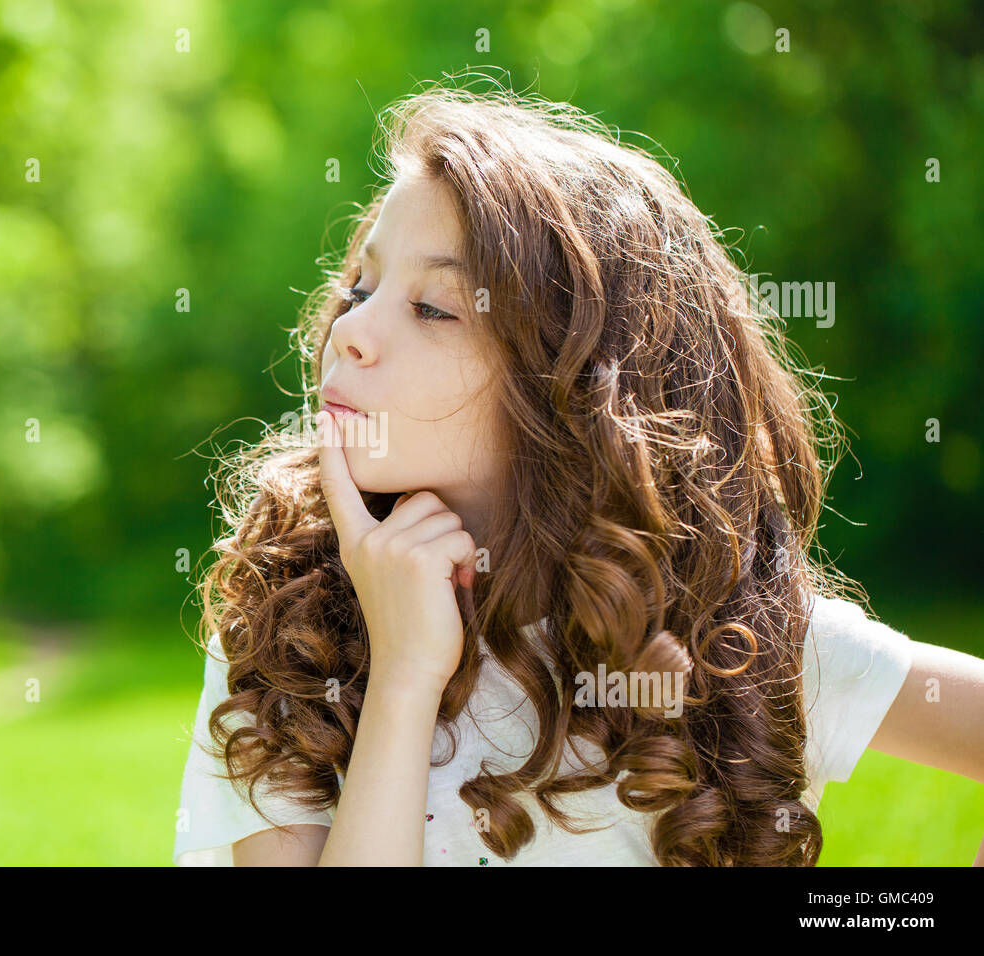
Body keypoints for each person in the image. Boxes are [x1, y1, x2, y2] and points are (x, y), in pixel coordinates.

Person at [174, 83, 984, 866]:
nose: (349, 327)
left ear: (583, 386)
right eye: (361, 286)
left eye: (433, 309)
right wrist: (403, 676)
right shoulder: (286, 635)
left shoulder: (739, 647)